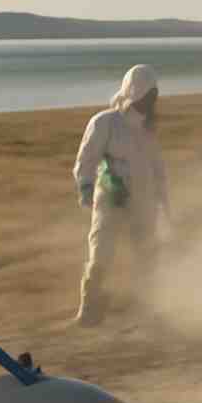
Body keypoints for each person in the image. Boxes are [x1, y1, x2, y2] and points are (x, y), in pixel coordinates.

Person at [72, 64, 171, 326]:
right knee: (100, 254)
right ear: (133, 91)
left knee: (147, 255)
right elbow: (86, 160)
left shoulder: (148, 131)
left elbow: (158, 170)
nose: (150, 103)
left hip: (143, 201)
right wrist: (87, 190)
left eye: (154, 97)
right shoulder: (105, 122)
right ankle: (89, 311)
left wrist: (163, 204)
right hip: (109, 201)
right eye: (147, 96)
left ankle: (147, 311)